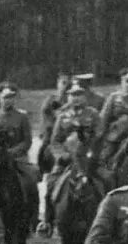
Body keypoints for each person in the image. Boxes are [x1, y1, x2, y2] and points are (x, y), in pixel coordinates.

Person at [42, 80, 104, 220]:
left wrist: (92, 152)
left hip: (88, 159)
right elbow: (55, 141)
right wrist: (61, 155)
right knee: (51, 184)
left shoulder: (93, 114)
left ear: (84, 97)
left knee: (107, 179)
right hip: (67, 160)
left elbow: (99, 135)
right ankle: (47, 221)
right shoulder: (62, 116)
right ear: (68, 97)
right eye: (73, 95)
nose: (76, 98)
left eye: (79, 94)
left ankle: (108, 218)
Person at [0, 81, 36, 182]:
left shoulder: (22, 116)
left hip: (17, 157)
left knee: (29, 178)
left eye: (11, 97)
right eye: (5, 97)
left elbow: (27, 141)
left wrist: (12, 152)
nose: (8, 100)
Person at [99, 69, 128, 170]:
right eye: (127, 81)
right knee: (103, 158)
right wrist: (101, 134)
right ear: (122, 82)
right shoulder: (113, 98)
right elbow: (104, 117)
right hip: (113, 136)